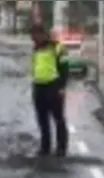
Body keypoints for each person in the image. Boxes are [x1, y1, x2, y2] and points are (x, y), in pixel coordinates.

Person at [30, 24, 69, 157]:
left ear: (44, 35)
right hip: (39, 87)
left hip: (53, 86)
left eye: (36, 36)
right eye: (33, 36)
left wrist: (62, 87)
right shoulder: (36, 48)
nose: (34, 38)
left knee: (58, 118)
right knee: (42, 119)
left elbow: (64, 68)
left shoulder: (58, 48)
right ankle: (45, 147)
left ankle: (61, 148)